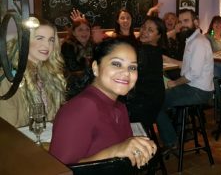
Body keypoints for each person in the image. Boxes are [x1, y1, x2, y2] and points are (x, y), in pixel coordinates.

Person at [49, 38, 157, 167]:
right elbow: (59, 169)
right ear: (95, 67)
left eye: (132, 67)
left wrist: (137, 149)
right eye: (116, 64)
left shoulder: (120, 107)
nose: (126, 73)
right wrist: (115, 151)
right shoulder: (83, 107)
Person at [158, 9, 214, 150]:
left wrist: (174, 83)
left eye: (186, 21)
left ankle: (171, 141)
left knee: (155, 102)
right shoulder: (192, 40)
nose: (182, 25)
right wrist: (169, 59)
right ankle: (175, 134)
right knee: (158, 98)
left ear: (196, 22)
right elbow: (188, 66)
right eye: (180, 21)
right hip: (194, 87)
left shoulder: (199, 42)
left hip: (198, 91)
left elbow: (192, 74)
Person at [0, 19, 66, 127]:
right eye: (40, 38)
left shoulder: (48, 73)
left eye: (51, 40)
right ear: (23, 41)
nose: (47, 45)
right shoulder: (8, 77)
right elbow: (8, 129)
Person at [126, 16, 168, 129]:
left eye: (150, 30)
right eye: (144, 27)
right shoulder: (155, 50)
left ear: (159, 36)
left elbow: (130, 75)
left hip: (143, 103)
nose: (144, 32)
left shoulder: (143, 51)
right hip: (154, 99)